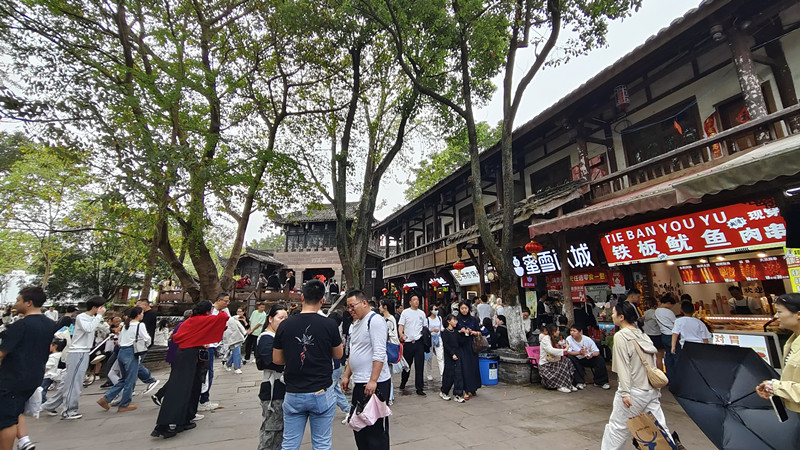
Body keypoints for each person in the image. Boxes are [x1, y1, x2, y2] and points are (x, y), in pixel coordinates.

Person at [272, 279, 342, 450]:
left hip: (294, 390)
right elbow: (338, 354)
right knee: (322, 443)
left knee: (289, 443)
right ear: (322, 300)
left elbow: (277, 359)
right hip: (321, 390)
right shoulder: (330, 324)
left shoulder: (285, 325)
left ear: (302, 297)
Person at [151, 298, 229, 438]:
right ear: (208, 311)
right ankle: (166, 424)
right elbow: (222, 318)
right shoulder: (200, 320)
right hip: (187, 356)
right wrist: (218, 307)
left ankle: (185, 419)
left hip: (187, 355)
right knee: (179, 390)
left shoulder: (191, 320)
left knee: (192, 388)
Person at [601, 301, 670, 450]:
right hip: (651, 391)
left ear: (621, 317)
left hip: (633, 391)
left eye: (614, 313)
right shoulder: (643, 335)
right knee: (660, 428)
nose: (612, 316)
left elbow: (623, 368)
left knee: (617, 429)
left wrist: (625, 392)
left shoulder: (621, 336)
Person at [0, 286, 53, 450]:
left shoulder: (21, 325)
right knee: (15, 411)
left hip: (13, 377)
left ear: (28, 303)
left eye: (18, 300)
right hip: (34, 375)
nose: (16, 303)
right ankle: (24, 441)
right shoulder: (49, 324)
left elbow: (2, 353)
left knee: (5, 421)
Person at [341, 290, 392, 449]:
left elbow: (379, 352)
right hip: (359, 381)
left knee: (375, 429)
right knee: (359, 425)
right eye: (348, 307)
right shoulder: (355, 324)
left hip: (375, 383)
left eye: (352, 306)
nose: (350, 310)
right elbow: (354, 352)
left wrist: (373, 380)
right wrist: (346, 375)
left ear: (364, 303)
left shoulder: (375, 321)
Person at [42, 296, 106, 420]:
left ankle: (50, 405)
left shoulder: (92, 318)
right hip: (78, 352)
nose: (103, 309)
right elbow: (88, 329)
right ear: (95, 307)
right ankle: (68, 411)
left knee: (70, 382)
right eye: (101, 307)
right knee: (74, 383)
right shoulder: (82, 317)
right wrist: (99, 316)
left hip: (83, 352)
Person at [97, 306, 149, 413]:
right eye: (142, 313)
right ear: (138, 314)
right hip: (131, 352)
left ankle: (106, 398)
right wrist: (145, 345)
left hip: (122, 352)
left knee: (123, 379)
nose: (143, 315)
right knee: (130, 380)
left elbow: (120, 340)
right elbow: (147, 338)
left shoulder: (125, 325)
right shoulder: (140, 325)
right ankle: (124, 404)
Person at [756, 293, 800, 417]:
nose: (776, 316)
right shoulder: (791, 342)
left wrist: (775, 387)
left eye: (779, 312)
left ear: (798, 314)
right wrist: (775, 389)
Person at [256, 304, 288, 450]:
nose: (283, 321)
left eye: (286, 318)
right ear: (270, 319)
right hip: (272, 390)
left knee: (280, 431)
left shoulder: (278, 337)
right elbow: (271, 361)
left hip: (281, 388)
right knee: (271, 430)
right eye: (280, 318)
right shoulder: (266, 338)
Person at [198, 292, 230, 411]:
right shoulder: (208, 311)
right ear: (219, 300)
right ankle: (203, 399)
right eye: (225, 301)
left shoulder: (224, 312)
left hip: (213, 344)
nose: (227, 303)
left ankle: (203, 398)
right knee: (206, 373)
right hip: (206, 345)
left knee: (208, 372)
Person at [398, 294, 428, 396]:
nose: (416, 301)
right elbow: (401, 325)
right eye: (414, 300)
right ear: (410, 302)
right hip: (408, 342)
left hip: (419, 342)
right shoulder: (405, 312)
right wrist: (401, 334)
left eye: (417, 299)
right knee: (407, 365)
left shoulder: (422, 313)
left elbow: (425, 327)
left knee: (420, 366)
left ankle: (419, 388)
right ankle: (403, 381)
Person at [565, 325, 610, 390]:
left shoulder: (587, 339)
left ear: (580, 332)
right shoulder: (569, 339)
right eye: (571, 331)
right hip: (576, 357)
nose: (572, 333)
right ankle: (579, 382)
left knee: (599, 359)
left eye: (574, 331)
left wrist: (590, 355)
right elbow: (568, 352)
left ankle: (601, 382)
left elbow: (597, 352)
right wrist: (579, 353)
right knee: (570, 358)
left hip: (587, 358)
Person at [455, 302, 482, 399]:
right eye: (462, 308)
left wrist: (473, 332)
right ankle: (466, 390)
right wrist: (460, 331)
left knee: (473, 367)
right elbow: (452, 332)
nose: (464, 310)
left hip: (472, 346)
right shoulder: (457, 319)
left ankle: (473, 387)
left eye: (465, 308)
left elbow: (479, 332)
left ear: (469, 309)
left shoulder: (473, 320)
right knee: (464, 368)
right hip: (461, 346)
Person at [539, 324, 576, 393]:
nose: (559, 332)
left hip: (552, 361)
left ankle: (568, 384)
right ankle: (561, 385)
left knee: (566, 361)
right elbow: (550, 350)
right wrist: (564, 350)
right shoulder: (546, 339)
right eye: (557, 330)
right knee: (563, 364)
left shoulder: (552, 338)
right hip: (546, 364)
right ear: (553, 331)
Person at [134, 299, 161, 395]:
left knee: (135, 364)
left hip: (143, 342)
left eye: (139, 306)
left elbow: (143, 327)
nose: (137, 308)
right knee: (134, 365)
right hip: (138, 342)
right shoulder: (144, 315)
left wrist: (147, 342)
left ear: (145, 305)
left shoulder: (150, 315)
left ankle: (149, 379)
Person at [440, 314, 466, 403]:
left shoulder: (456, 332)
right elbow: (446, 345)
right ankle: (444, 391)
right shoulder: (445, 332)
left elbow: (461, 342)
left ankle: (458, 394)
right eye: (454, 320)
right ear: (448, 321)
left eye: (456, 320)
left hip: (457, 355)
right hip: (449, 356)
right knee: (449, 374)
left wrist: (463, 333)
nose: (456, 322)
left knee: (458, 375)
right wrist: (452, 354)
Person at [379, 298, 399, 405]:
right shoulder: (382, 319)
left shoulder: (391, 319)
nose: (379, 308)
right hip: (384, 348)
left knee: (388, 374)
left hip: (388, 348)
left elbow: (393, 334)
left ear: (385, 307)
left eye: (381, 305)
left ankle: (389, 396)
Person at [655, 295, 678, 378]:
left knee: (668, 355)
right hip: (671, 336)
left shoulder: (656, 311)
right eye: (671, 305)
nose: (671, 307)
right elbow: (676, 323)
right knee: (675, 355)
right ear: (668, 303)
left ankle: (669, 375)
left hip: (663, 335)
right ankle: (677, 376)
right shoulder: (668, 312)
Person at [642, 297, 663, 370]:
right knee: (659, 357)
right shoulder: (656, 313)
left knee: (649, 358)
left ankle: (650, 373)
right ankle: (660, 373)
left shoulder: (644, 314)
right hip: (657, 335)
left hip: (647, 336)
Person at [425, 305, 444, 381]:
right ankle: (429, 373)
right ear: (431, 310)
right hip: (430, 338)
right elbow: (426, 330)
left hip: (438, 338)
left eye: (437, 309)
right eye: (435, 309)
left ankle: (442, 374)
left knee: (440, 357)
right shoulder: (427, 320)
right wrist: (432, 330)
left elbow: (441, 328)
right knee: (429, 357)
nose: (436, 310)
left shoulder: (439, 318)